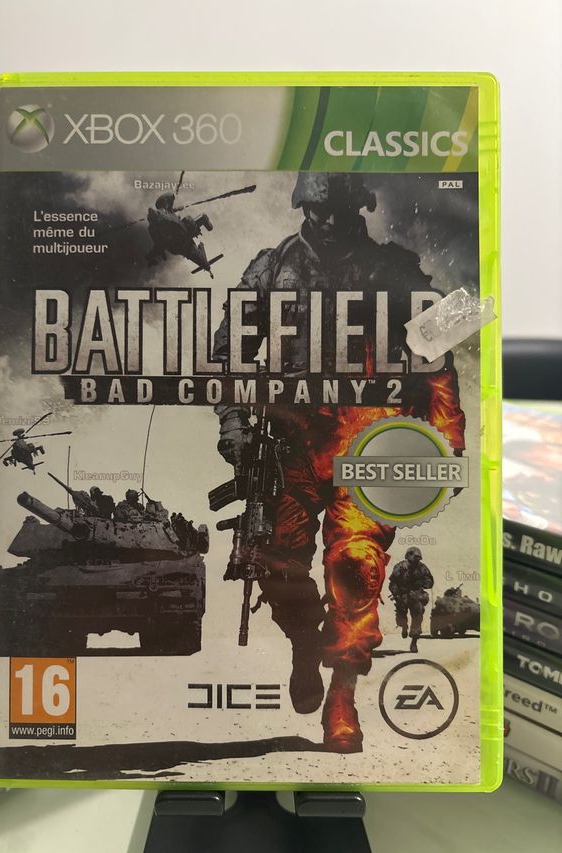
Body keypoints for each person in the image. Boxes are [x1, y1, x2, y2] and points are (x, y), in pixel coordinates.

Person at [212, 172, 465, 753]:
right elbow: (227, 356)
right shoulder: (270, 269)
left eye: (340, 211)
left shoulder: (395, 269)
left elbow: (440, 360)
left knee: (357, 568)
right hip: (288, 446)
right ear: (302, 207)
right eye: (318, 210)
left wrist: (449, 443)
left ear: (360, 209)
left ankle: (343, 694)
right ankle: (305, 643)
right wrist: (232, 423)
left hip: (369, 444)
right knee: (276, 565)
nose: (328, 222)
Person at [388, 547, 435, 653]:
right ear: (408, 558)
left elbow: (430, 581)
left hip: (416, 595)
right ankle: (404, 626)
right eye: (413, 561)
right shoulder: (400, 567)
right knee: (401, 615)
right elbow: (393, 583)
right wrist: (396, 594)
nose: (415, 563)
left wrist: (423, 583)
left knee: (418, 615)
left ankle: (414, 641)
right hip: (402, 595)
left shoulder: (422, 568)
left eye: (417, 560)